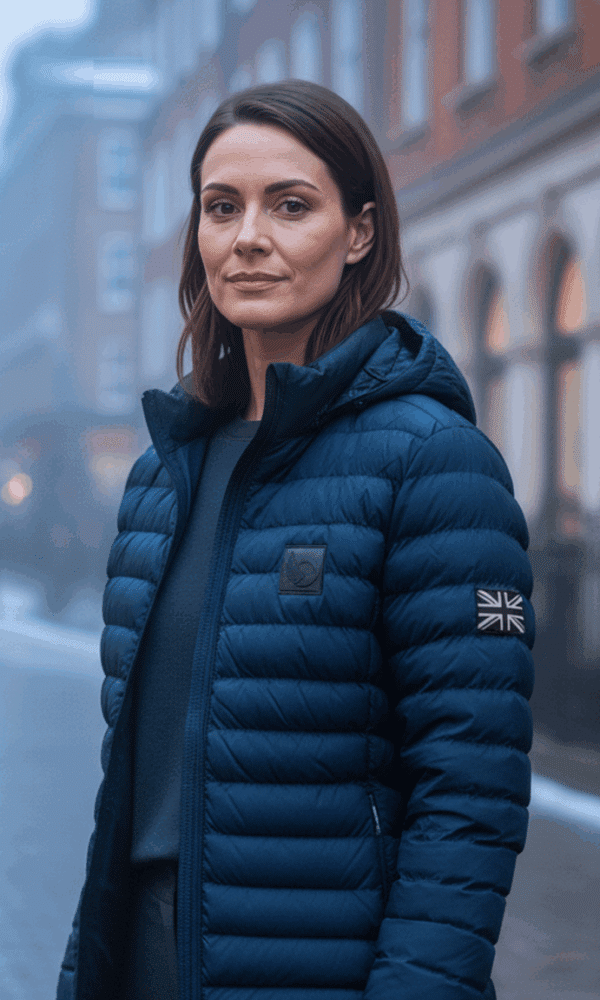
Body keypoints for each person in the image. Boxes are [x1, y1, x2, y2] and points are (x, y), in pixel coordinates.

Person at [57, 79, 534, 1000]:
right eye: (221, 207)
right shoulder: (163, 476)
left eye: (290, 205)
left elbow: (469, 793)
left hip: (323, 971)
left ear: (358, 233)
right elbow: (128, 790)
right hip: (145, 963)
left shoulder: (433, 463)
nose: (248, 238)